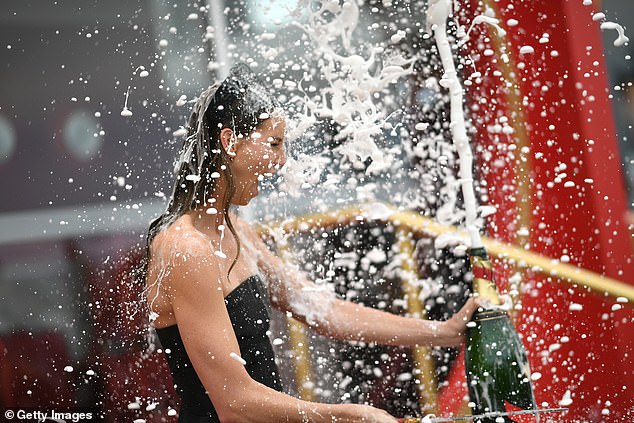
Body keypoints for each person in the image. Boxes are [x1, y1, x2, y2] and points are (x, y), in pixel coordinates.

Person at [144, 63, 480, 423]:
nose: (282, 160)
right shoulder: (186, 249)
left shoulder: (239, 233)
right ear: (230, 142)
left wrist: (442, 332)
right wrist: (349, 416)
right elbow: (234, 403)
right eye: (273, 143)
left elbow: (324, 310)